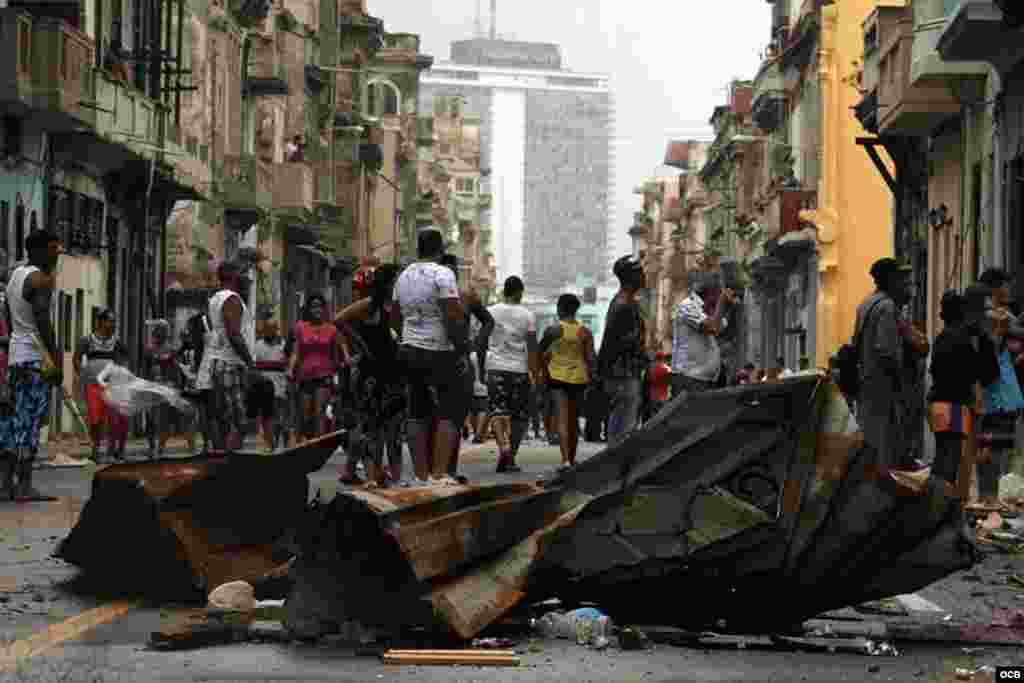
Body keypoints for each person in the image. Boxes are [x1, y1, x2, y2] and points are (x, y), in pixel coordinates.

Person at [393, 229, 470, 484]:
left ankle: (420, 475)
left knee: (417, 411)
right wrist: (460, 348)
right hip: (439, 350)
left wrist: (406, 335)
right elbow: (452, 315)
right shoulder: (443, 273)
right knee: (448, 411)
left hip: (409, 348)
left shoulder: (403, 276)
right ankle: (438, 475)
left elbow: (394, 314)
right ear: (440, 250)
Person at [0, 230, 63, 501]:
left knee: (14, 422)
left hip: (16, 358)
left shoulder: (14, 275)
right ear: (38, 251)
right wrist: (55, 358)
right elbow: (43, 321)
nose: (56, 255)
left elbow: (7, 312)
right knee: (32, 423)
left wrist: (16, 337)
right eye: (53, 249)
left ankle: (5, 485)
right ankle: (25, 485)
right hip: (36, 360)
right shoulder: (42, 279)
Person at [335, 264, 405, 487]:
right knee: (371, 427)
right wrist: (360, 346)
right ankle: (373, 475)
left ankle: (394, 475)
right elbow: (339, 320)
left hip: (393, 371)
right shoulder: (369, 305)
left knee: (393, 428)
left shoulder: (396, 306)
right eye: (397, 279)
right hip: (370, 373)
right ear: (388, 282)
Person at [928, 290, 996, 487]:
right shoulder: (963, 339)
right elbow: (980, 372)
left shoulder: (941, 337)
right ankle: (941, 506)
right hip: (955, 406)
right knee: (950, 460)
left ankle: (936, 502)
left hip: (937, 403)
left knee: (942, 457)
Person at [853, 257, 914, 469]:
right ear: (891, 280)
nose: (907, 286)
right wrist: (900, 384)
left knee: (872, 440)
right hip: (882, 387)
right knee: (885, 444)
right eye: (902, 281)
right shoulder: (887, 307)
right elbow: (887, 351)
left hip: (867, 383)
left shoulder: (866, 304)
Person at [439, 253, 494, 477]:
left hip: (460, 361)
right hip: (433, 360)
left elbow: (488, 320)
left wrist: (477, 345)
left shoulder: (466, 295)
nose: (448, 276)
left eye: (452, 271)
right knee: (436, 418)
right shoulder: (426, 296)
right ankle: (437, 471)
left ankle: (449, 471)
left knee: (457, 417)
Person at [975, 270, 1024, 509]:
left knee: (999, 446)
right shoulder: (989, 316)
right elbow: (988, 352)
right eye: (1005, 286)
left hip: (1003, 390)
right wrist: (1001, 332)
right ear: (995, 289)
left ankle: (991, 496)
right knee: (990, 447)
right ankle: (988, 496)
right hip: (994, 391)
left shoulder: (1003, 315)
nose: (1009, 291)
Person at [197, 261, 255, 452]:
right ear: (232, 276)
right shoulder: (232, 299)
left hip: (217, 361)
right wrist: (250, 362)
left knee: (221, 415)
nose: (244, 279)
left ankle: (220, 453)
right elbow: (234, 334)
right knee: (237, 418)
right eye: (241, 274)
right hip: (229, 363)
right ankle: (227, 457)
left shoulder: (214, 299)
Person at [540, 293, 595, 470]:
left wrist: (543, 372)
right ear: (576, 310)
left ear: (559, 309)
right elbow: (590, 358)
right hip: (579, 379)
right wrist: (593, 378)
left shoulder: (552, 331)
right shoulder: (584, 332)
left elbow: (541, 354)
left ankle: (565, 461)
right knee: (573, 420)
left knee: (562, 419)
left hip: (557, 379)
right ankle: (572, 459)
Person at [598, 255, 648, 443]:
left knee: (623, 425)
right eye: (640, 272)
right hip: (622, 375)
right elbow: (612, 342)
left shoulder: (626, 303)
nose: (644, 276)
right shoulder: (623, 306)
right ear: (631, 277)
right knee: (623, 429)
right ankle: (615, 466)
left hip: (625, 374)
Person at [72, 308, 129, 463]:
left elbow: (125, 358)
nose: (113, 324)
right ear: (100, 322)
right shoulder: (87, 340)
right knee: (95, 420)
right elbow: (76, 358)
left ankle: (112, 451)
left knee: (113, 419)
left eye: (114, 321)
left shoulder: (116, 342)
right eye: (110, 321)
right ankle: (95, 450)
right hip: (93, 385)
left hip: (111, 385)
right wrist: (82, 372)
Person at [288, 293, 344, 443]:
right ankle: (303, 442)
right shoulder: (300, 327)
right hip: (304, 376)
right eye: (314, 306)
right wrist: (290, 369)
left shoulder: (332, 330)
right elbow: (295, 352)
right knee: (305, 414)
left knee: (319, 412)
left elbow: (337, 356)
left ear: (324, 309)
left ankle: (318, 444)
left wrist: (338, 377)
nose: (317, 310)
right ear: (309, 309)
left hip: (324, 376)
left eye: (320, 306)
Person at [672, 270, 737, 398]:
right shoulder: (688, 306)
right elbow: (712, 327)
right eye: (718, 294)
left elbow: (718, 327)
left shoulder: (706, 311)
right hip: (689, 378)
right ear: (711, 293)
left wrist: (728, 307)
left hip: (703, 380)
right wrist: (722, 302)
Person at [253, 319, 289, 452]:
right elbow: (255, 366)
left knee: (280, 418)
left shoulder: (283, 345)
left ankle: (282, 443)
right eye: (267, 328)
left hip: (280, 386)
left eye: (272, 328)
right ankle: (272, 444)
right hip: (263, 387)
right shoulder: (258, 345)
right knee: (267, 417)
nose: (269, 331)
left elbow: (287, 364)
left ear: (276, 329)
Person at [145, 320, 180, 459]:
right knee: (150, 418)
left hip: (166, 386)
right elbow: (146, 368)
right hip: (151, 386)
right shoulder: (149, 349)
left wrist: (175, 386)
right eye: (159, 330)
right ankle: (152, 445)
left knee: (164, 419)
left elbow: (175, 369)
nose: (161, 333)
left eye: (164, 331)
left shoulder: (171, 349)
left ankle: (160, 447)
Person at [645, 351, 672, 420]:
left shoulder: (651, 368)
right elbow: (670, 381)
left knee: (653, 417)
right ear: (663, 358)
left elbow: (648, 380)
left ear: (656, 358)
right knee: (663, 416)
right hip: (664, 396)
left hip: (653, 396)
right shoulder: (667, 369)